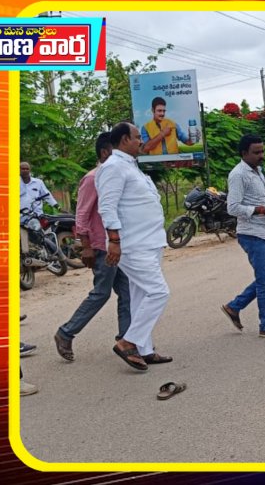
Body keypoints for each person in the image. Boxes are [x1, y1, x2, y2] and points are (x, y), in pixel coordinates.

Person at [54, 133, 144, 363]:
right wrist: (85, 246)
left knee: (126, 293)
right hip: (101, 246)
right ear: (105, 153)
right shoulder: (93, 178)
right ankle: (66, 333)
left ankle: (127, 341)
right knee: (101, 293)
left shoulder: (115, 176)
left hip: (119, 245)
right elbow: (82, 214)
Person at [96, 122, 172, 371]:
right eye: (138, 137)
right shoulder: (113, 167)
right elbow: (107, 206)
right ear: (124, 140)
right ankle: (127, 342)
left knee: (141, 296)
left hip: (149, 241)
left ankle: (145, 349)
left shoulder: (131, 166)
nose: (142, 141)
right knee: (159, 292)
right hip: (132, 244)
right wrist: (114, 241)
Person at [220, 134, 265, 339]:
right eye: (256, 152)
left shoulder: (258, 171)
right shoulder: (238, 174)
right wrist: (260, 209)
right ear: (244, 154)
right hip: (251, 234)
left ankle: (235, 306)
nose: (261, 155)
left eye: (262, 151)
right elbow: (232, 207)